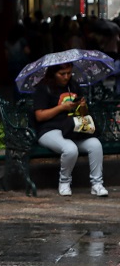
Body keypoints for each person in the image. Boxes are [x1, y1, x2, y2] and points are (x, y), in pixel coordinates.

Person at [33, 63, 107, 197]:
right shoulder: (44, 88)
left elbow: (83, 114)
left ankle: (97, 184)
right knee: (70, 149)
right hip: (49, 130)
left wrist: (82, 106)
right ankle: (64, 182)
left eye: (69, 73)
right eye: (62, 74)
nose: (66, 77)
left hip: (72, 128)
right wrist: (61, 108)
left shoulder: (73, 86)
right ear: (53, 73)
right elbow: (39, 116)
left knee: (95, 144)